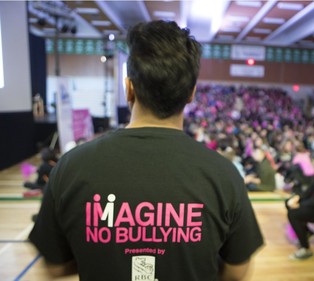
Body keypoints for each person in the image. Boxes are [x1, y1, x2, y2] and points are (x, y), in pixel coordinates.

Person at [29, 20, 264, 281]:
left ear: (129, 88)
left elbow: (54, 266)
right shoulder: (224, 175)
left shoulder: (70, 167)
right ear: (191, 94)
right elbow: (237, 270)